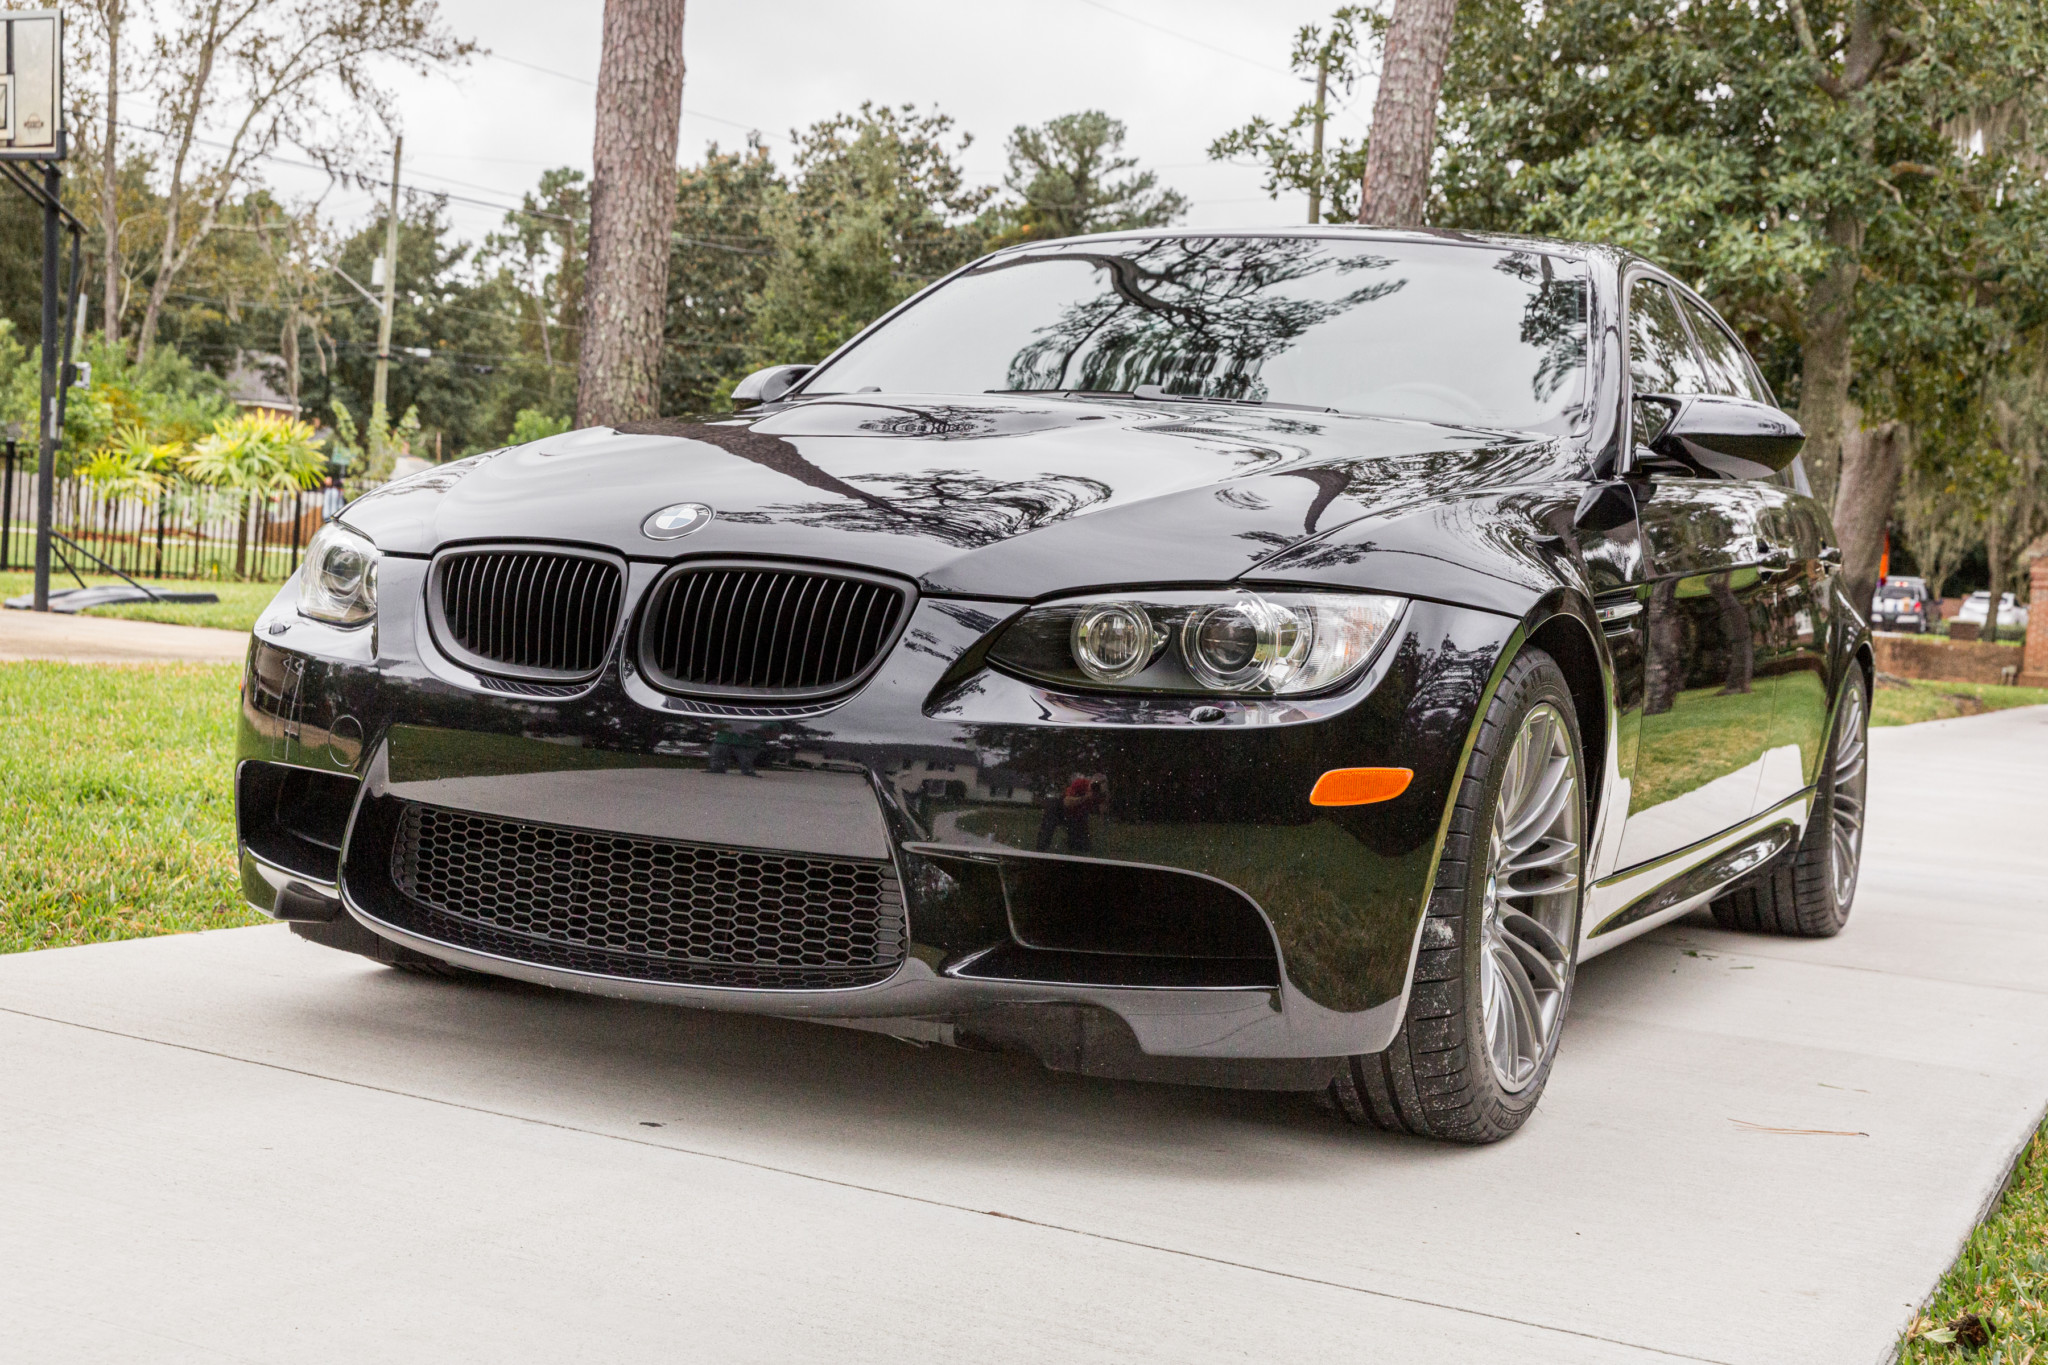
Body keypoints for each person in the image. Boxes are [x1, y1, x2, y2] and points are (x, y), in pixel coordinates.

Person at [1035, 772, 1107, 852]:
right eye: (1094, 785)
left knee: (1083, 848)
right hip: (1061, 810)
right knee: (1048, 824)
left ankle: (1072, 843)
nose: (1094, 788)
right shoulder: (1080, 783)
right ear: (1090, 781)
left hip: (1076, 816)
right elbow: (1067, 802)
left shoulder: (1100, 795)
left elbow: (1102, 812)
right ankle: (1041, 848)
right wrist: (1085, 797)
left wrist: (1102, 795)